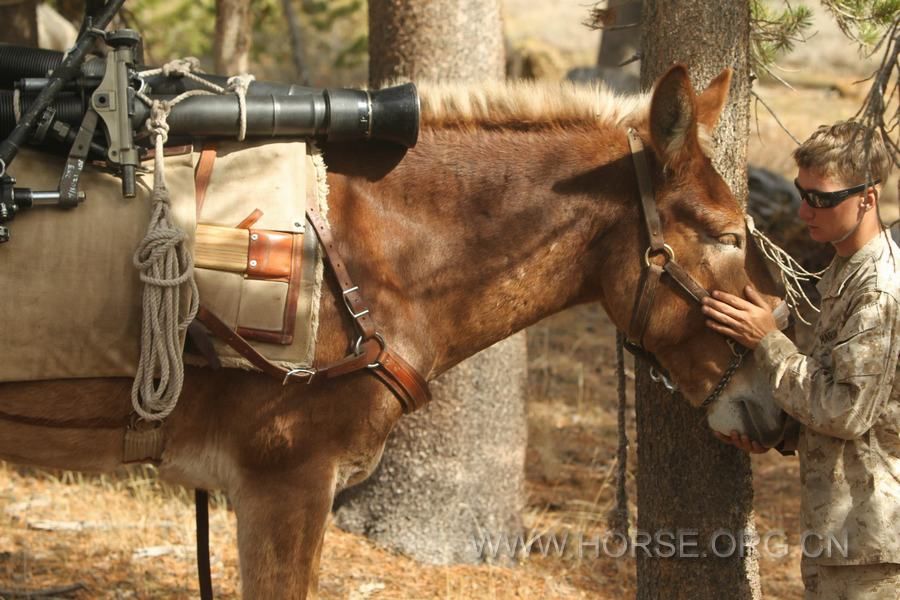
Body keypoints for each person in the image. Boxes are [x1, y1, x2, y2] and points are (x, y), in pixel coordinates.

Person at [701, 120, 899, 599]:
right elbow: (859, 404)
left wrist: (768, 341)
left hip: (871, 543)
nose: (804, 210)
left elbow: (844, 410)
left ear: (867, 199)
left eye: (822, 198)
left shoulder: (878, 289)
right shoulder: (842, 274)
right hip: (839, 533)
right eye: (800, 192)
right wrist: (780, 431)